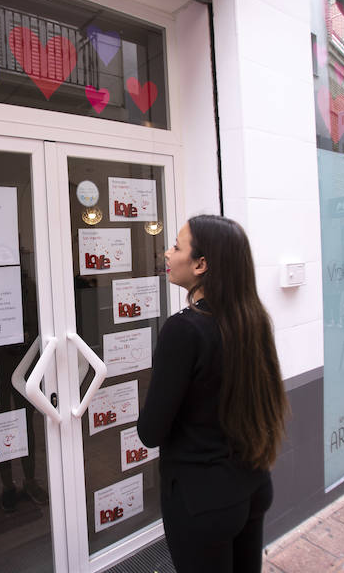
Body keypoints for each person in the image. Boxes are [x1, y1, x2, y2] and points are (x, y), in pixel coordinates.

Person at [137, 215, 289, 573]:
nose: (167, 253)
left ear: (201, 264)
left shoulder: (183, 330)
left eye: (176, 246)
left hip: (201, 501)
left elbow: (151, 432)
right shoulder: (252, 318)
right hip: (252, 485)